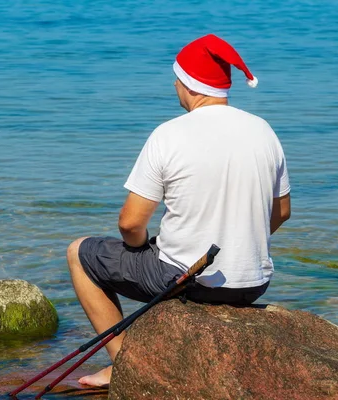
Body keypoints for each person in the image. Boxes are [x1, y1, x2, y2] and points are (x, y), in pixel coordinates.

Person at [66, 33, 291, 388]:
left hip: (189, 279)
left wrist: (142, 247)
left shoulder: (169, 134)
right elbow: (281, 213)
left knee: (79, 253)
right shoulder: (264, 131)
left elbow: (130, 223)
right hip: (254, 282)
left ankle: (123, 365)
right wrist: (239, 238)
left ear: (188, 85)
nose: (175, 86)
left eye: (177, 79)